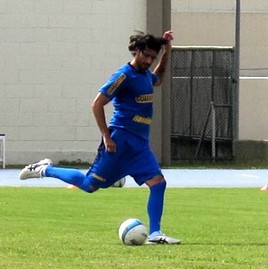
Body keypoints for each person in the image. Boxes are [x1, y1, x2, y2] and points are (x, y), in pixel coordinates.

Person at [19, 30, 180, 245]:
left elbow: (158, 79)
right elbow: (97, 103)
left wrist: (167, 50)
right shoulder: (123, 76)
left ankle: (154, 234)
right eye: (147, 56)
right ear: (137, 51)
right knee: (89, 185)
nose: (150, 61)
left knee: (158, 183)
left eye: (153, 57)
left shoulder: (144, 75)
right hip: (120, 141)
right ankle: (43, 169)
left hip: (140, 145)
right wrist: (106, 136)